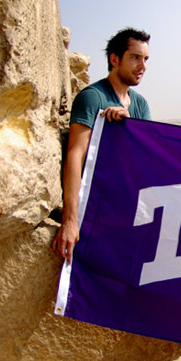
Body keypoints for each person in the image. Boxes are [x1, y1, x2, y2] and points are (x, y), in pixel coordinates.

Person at [52, 27, 151, 263]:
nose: (143, 66)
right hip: (94, 207)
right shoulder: (92, 97)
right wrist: (70, 221)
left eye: (146, 59)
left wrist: (128, 128)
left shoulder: (140, 105)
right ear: (114, 59)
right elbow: (75, 154)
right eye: (135, 57)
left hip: (124, 205)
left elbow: (144, 158)